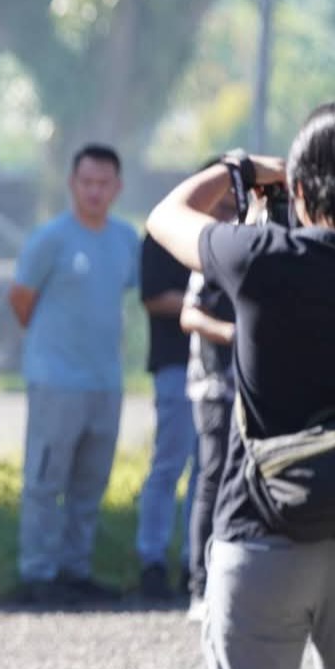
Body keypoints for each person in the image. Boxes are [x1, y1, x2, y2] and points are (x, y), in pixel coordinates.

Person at [148, 107, 335, 669]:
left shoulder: (264, 260)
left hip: (262, 536)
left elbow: (167, 214)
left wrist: (245, 167)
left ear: (298, 191)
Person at [7, 144, 142, 606]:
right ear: (72, 184)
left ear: (117, 188)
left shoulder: (126, 240)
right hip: (56, 380)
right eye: (87, 183)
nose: (95, 192)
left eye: (104, 184)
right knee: (46, 480)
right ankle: (38, 572)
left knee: (90, 482)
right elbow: (20, 298)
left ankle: (75, 569)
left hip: (105, 381)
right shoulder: (51, 239)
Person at [136, 230, 195, 600]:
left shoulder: (238, 230)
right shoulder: (164, 232)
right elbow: (154, 297)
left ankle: (196, 561)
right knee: (169, 465)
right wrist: (211, 303)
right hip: (177, 364)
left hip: (224, 365)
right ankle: (152, 561)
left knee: (210, 470)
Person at [182, 263, 237, 626]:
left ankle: (235, 585)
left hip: (252, 388)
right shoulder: (212, 253)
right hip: (215, 387)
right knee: (213, 479)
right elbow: (190, 315)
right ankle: (200, 586)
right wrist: (231, 332)